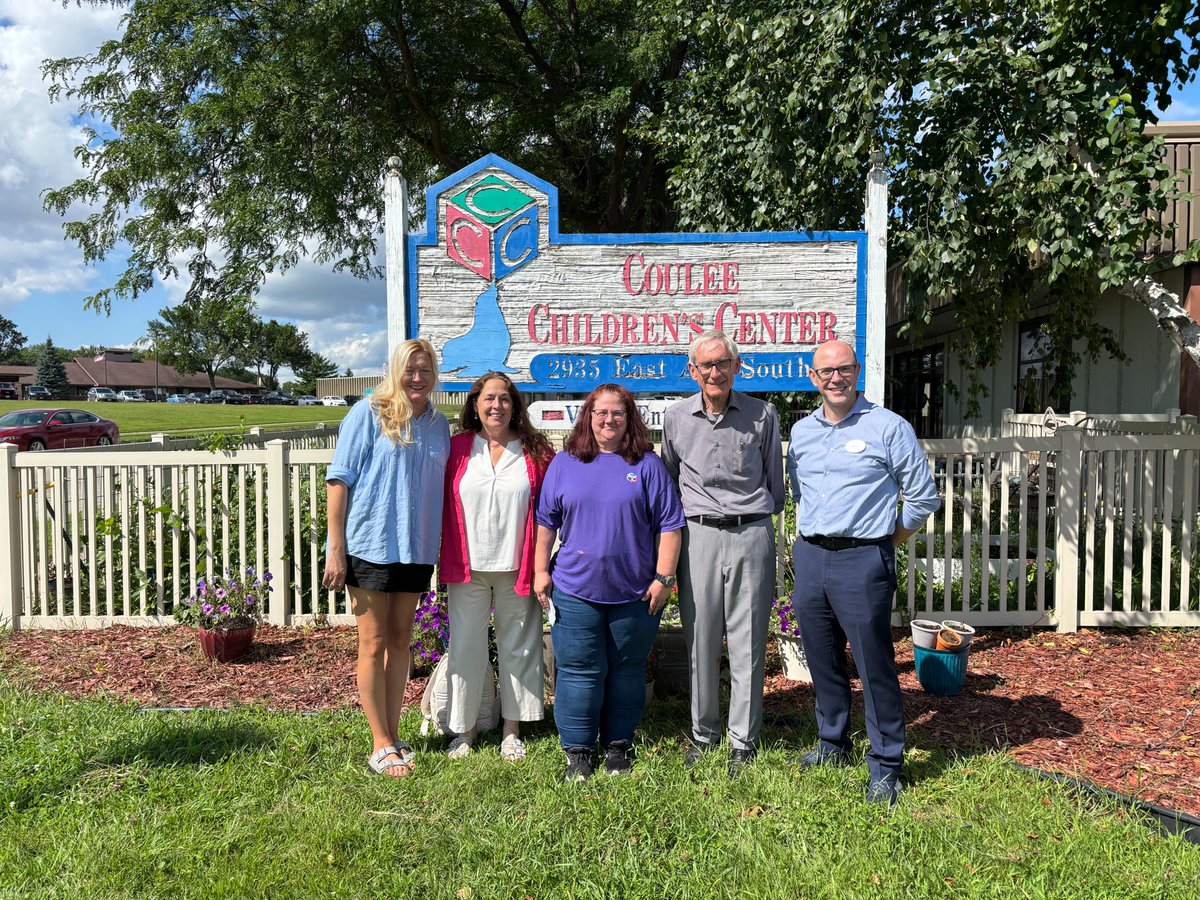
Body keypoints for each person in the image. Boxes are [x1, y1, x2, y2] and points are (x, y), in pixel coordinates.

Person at [786, 339, 940, 805]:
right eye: (826, 371)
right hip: (811, 556)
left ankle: (886, 764)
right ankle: (832, 743)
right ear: (813, 378)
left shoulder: (889, 427)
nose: (836, 378)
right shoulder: (802, 432)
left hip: (864, 559)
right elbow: (800, 492)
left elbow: (923, 498)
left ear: (857, 372)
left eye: (844, 369)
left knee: (874, 664)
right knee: (821, 657)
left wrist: (884, 541)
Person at [534, 384, 685, 781]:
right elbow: (546, 523)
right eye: (600, 412)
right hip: (575, 589)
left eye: (617, 412)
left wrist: (664, 578)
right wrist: (540, 571)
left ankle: (618, 746)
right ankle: (578, 751)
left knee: (627, 670)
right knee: (579, 670)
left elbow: (670, 526)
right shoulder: (565, 463)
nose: (608, 419)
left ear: (629, 418)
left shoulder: (647, 465)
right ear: (588, 416)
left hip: (635, 593)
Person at [323, 338, 450, 777]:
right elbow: (338, 480)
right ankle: (379, 743)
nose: (417, 378)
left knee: (400, 642)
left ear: (434, 376)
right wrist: (335, 548)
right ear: (395, 371)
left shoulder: (439, 425)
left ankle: (394, 735)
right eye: (410, 370)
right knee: (373, 643)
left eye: (425, 370)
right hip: (369, 545)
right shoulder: (368, 413)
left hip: (416, 548)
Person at [660, 330, 785, 778]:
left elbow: (775, 483)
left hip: (751, 531)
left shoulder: (762, 414)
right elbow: (671, 477)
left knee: (749, 639)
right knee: (701, 638)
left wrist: (752, 515)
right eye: (706, 365)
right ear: (692, 371)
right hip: (698, 537)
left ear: (736, 366)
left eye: (722, 363)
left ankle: (742, 741)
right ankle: (703, 732)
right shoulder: (676, 418)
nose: (715, 372)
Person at [439, 372, 555, 761]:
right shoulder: (458, 449)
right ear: (475, 404)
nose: (497, 406)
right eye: (489, 398)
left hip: (518, 565)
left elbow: (551, 509)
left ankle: (512, 730)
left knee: (519, 647)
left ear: (514, 405)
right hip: (467, 566)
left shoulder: (536, 451)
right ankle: (465, 730)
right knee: (465, 647)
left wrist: (544, 564)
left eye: (504, 399)